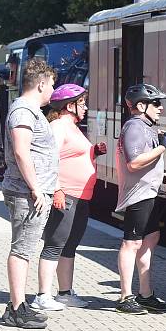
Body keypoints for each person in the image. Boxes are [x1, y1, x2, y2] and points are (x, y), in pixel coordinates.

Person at [32, 84, 106, 311]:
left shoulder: (73, 127)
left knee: (69, 245)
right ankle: (42, 295)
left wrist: (94, 151)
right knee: (55, 244)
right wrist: (56, 189)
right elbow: (49, 159)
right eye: (81, 103)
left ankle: (65, 292)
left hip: (81, 194)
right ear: (68, 105)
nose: (85, 108)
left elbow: (71, 155)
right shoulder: (58, 126)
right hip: (66, 194)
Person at [1, 58, 58, 328]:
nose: (52, 92)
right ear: (41, 84)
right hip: (25, 193)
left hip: (30, 192)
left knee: (25, 248)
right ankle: (16, 309)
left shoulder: (29, 111)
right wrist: (36, 188)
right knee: (22, 249)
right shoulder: (24, 111)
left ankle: (18, 303)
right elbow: (21, 151)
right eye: (51, 86)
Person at [115, 83, 166, 314]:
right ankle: (124, 297)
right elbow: (134, 162)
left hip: (149, 192)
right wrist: (162, 148)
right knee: (132, 243)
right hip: (138, 195)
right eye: (156, 103)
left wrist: (162, 174)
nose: (161, 108)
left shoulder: (145, 126)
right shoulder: (134, 127)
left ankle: (146, 294)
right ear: (141, 105)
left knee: (151, 239)